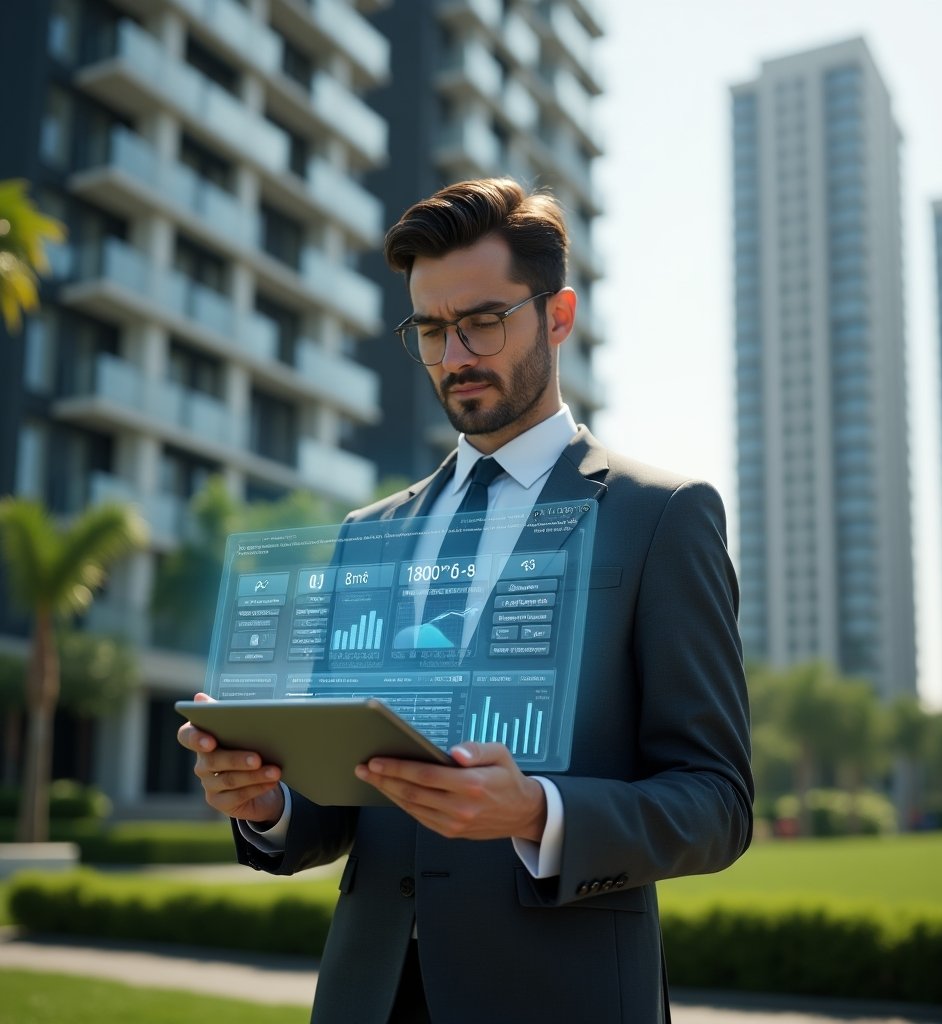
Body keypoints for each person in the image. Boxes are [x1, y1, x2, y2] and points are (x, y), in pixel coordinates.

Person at [177, 177, 754, 1024]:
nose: (455, 357)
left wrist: (538, 811)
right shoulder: (368, 533)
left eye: (482, 322)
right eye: (432, 330)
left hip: (562, 996)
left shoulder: (660, 516)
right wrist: (268, 804)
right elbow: (349, 799)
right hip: (369, 997)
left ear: (557, 317)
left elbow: (717, 802)